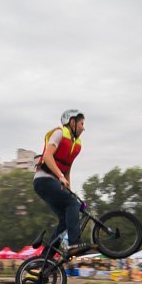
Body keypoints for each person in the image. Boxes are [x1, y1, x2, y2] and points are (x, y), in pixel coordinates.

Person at [33, 109, 89, 256]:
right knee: (72, 204)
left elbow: (67, 168)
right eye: (82, 123)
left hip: (53, 182)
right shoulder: (59, 133)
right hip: (43, 179)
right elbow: (48, 156)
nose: (84, 128)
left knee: (65, 219)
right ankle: (73, 244)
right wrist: (60, 176)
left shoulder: (76, 145)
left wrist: (69, 188)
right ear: (72, 122)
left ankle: (45, 259)